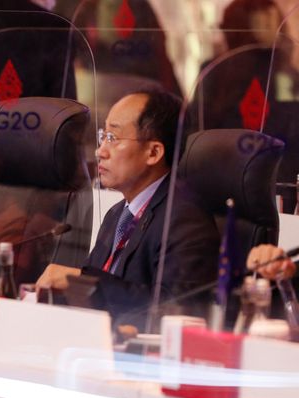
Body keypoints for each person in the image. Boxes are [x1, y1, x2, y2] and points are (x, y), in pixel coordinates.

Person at [36, 89, 220, 327]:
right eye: (103, 136)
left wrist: (80, 280)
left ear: (153, 152)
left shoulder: (185, 220)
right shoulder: (118, 214)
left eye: (113, 138)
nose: (100, 151)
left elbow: (175, 310)